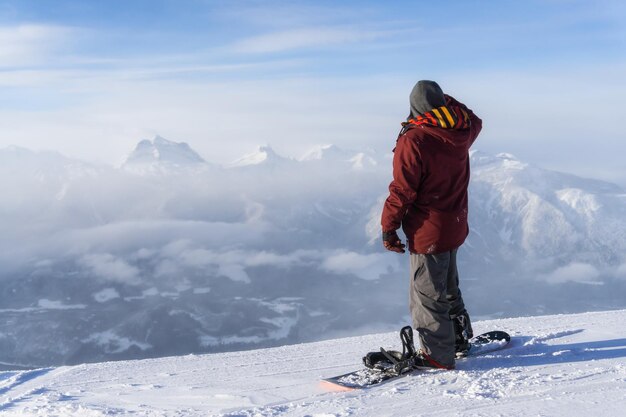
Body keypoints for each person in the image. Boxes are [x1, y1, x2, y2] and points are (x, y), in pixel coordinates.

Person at [381, 80, 482, 370]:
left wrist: (389, 227)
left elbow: (402, 190)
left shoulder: (414, 140)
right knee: (449, 285)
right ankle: (458, 339)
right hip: (455, 223)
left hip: (429, 230)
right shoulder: (462, 129)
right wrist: (440, 100)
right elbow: (472, 116)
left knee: (427, 295)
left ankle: (437, 355)